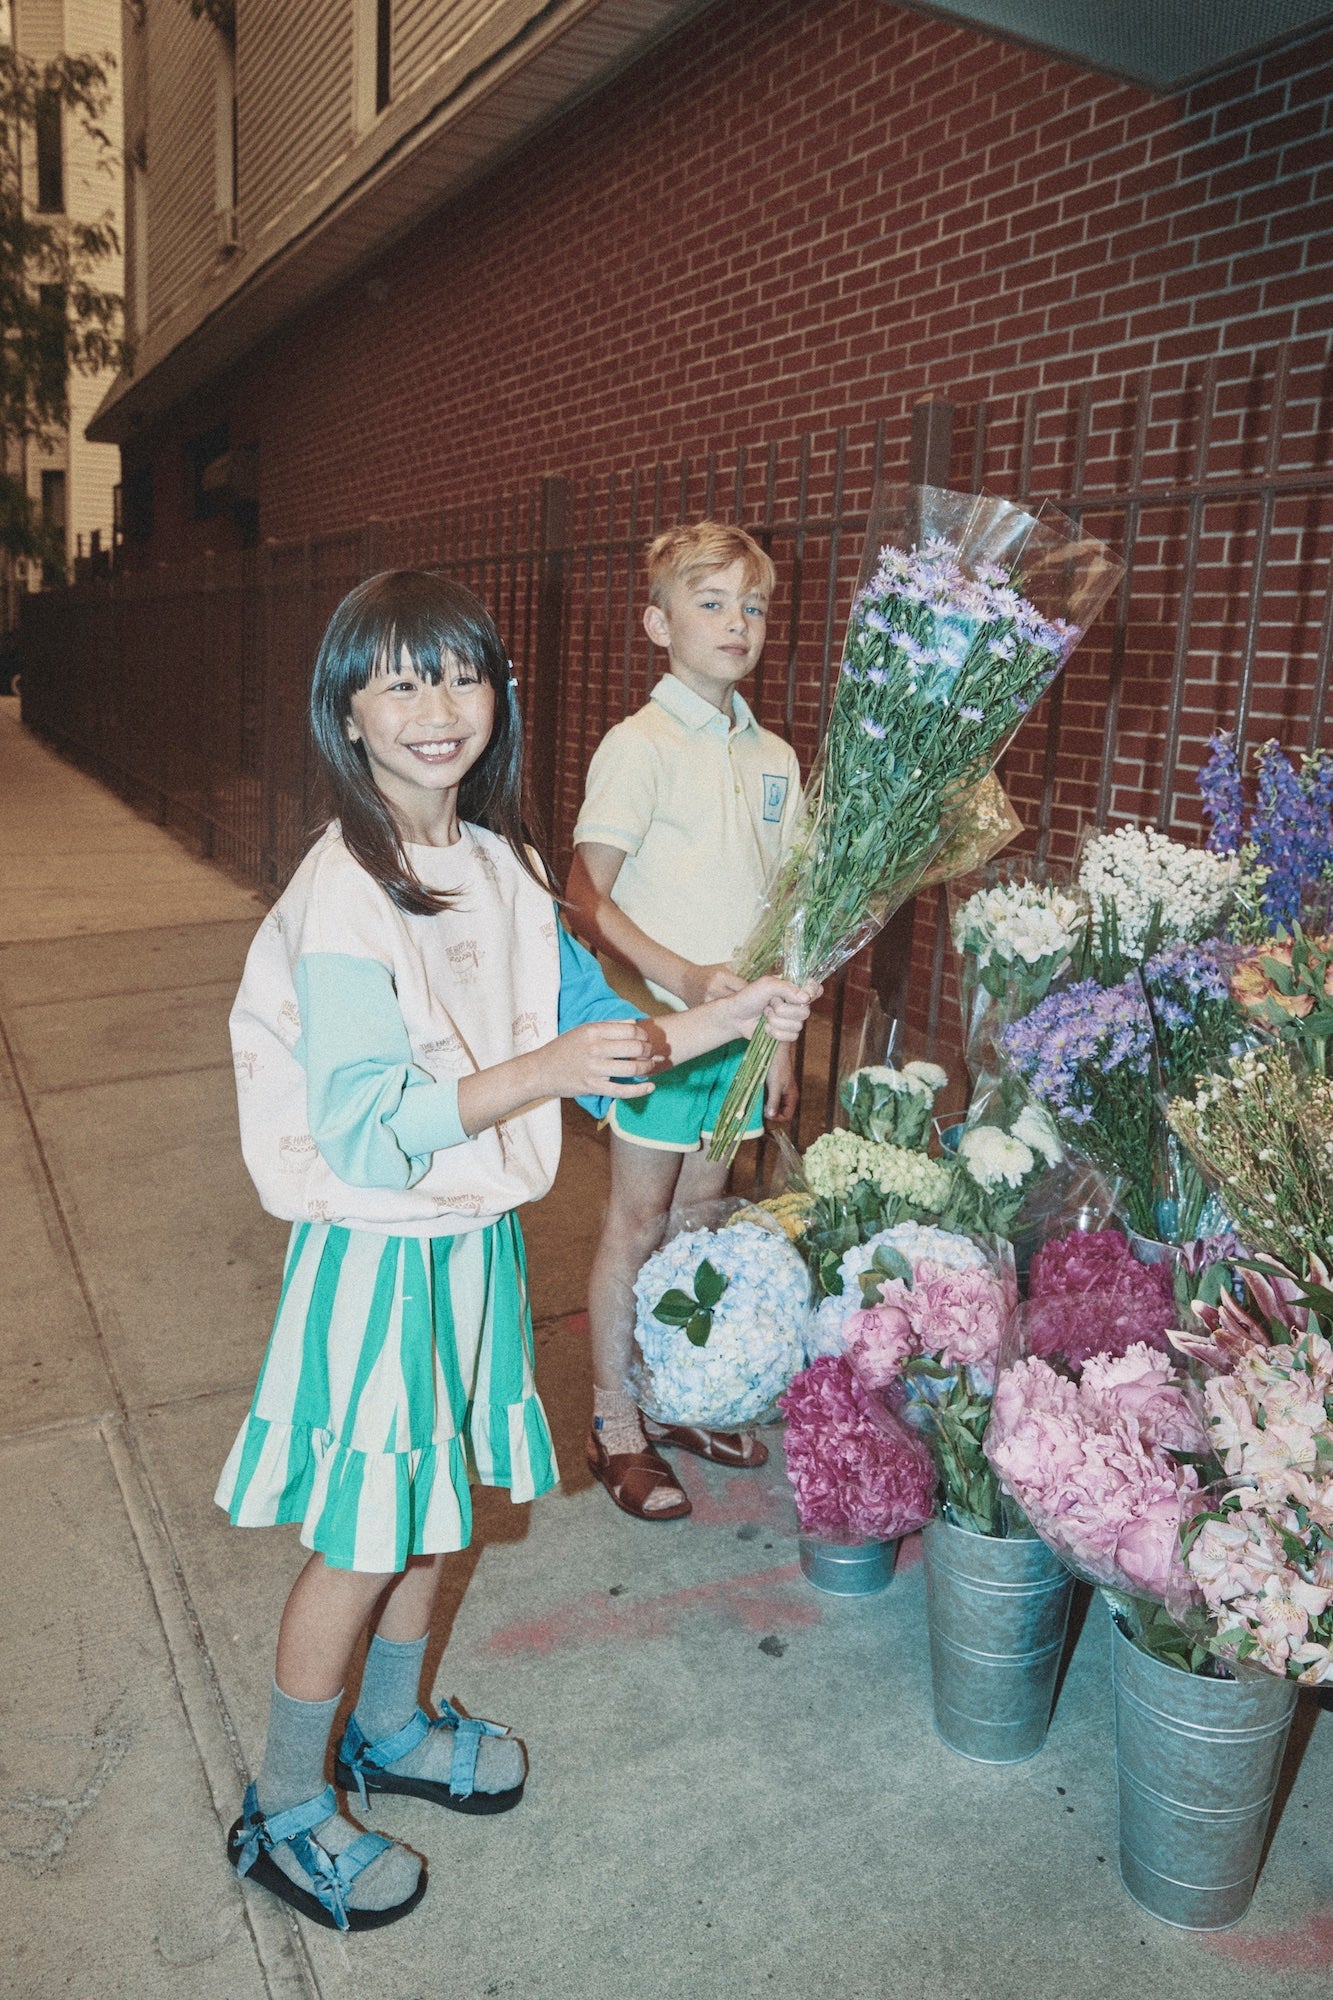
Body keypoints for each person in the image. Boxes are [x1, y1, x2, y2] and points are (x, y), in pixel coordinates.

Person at [215, 569, 813, 1932]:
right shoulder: (346, 900)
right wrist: (545, 1066)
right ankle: (286, 1803)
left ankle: (389, 1727)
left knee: (440, 1507)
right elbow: (371, 1133)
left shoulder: (500, 866)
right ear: (347, 711)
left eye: (462, 674)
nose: (437, 706)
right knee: (366, 1538)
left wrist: (747, 1013)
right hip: (378, 1260)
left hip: (470, 1244)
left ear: (501, 696)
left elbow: (613, 1033)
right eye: (400, 678)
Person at [567, 523, 804, 1521]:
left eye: (751, 606)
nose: (736, 623)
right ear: (657, 621)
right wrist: (678, 978)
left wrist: (781, 1036)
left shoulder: (778, 755)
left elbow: (793, 910)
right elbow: (584, 895)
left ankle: (675, 1389)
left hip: (743, 1042)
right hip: (665, 1038)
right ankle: (614, 1418)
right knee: (637, 1220)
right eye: (710, 603)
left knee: (701, 1218)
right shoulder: (640, 746)